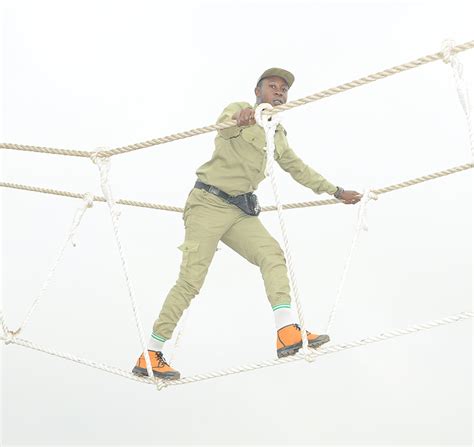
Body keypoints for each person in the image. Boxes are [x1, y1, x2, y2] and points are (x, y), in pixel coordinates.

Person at [132, 68, 362, 380]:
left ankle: (286, 331)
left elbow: (298, 168)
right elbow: (224, 126)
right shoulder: (239, 110)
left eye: (283, 89)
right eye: (272, 86)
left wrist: (335, 191)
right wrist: (242, 118)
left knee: (272, 254)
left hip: (239, 211)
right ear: (258, 91)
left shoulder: (276, 133)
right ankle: (151, 354)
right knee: (190, 281)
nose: (278, 91)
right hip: (207, 204)